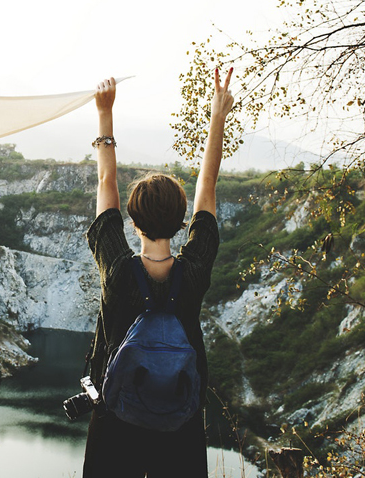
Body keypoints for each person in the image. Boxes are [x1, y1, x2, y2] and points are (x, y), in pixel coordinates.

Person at [82, 70, 235, 477]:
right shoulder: (195, 271)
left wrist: (105, 113)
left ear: (132, 221)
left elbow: (105, 180)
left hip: (115, 421)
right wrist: (217, 117)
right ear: (183, 220)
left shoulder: (117, 271)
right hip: (179, 423)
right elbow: (208, 184)